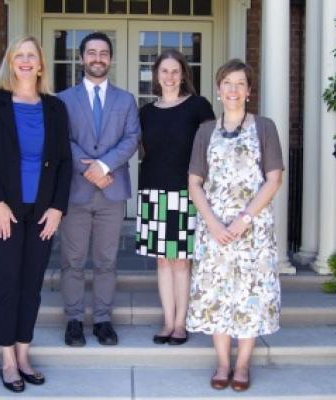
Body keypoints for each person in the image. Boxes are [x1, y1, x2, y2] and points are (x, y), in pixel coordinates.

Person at [0, 35, 72, 392]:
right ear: (11, 63)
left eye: (32, 56)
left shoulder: (55, 108)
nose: (26, 61)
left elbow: (63, 163)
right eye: (19, 56)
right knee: (8, 282)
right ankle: (7, 359)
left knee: (31, 284)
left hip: (42, 212)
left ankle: (24, 353)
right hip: (4, 211)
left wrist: (58, 207)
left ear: (41, 64)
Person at [186, 59, 284, 391]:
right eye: (227, 83)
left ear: (249, 91)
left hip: (252, 229)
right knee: (217, 295)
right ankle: (223, 363)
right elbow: (194, 182)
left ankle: (242, 366)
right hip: (215, 230)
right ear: (218, 89)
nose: (233, 89)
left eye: (240, 83)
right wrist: (213, 223)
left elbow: (273, 179)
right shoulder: (205, 130)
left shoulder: (265, 127)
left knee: (250, 296)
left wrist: (244, 219)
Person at [57, 32, 140, 347]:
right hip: (75, 192)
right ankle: (74, 320)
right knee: (73, 260)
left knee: (107, 261)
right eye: (91, 52)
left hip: (112, 192)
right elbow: (61, 139)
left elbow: (132, 138)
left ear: (111, 58)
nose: (97, 58)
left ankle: (103, 320)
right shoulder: (63, 100)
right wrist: (89, 169)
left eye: (103, 53)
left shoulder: (126, 100)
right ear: (81, 58)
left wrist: (104, 166)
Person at [136, 49, 214, 345]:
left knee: (181, 261)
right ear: (156, 75)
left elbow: (212, 148)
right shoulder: (145, 112)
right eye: (164, 71)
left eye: (175, 71)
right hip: (153, 191)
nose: (169, 77)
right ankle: (167, 321)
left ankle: (181, 323)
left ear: (184, 75)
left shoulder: (198, 106)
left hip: (186, 193)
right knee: (163, 261)